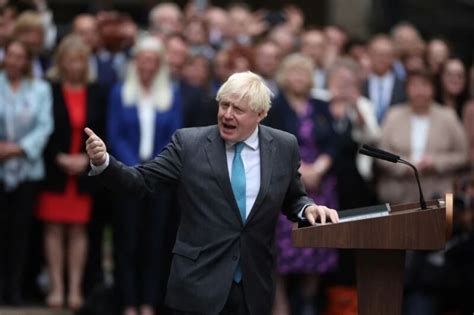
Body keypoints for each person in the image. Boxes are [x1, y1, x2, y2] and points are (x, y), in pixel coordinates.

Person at [84, 71, 339, 315]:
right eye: (224, 105)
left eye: (237, 109)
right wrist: (104, 161)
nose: (227, 115)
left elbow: (293, 196)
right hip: (198, 283)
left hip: (254, 285)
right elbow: (141, 181)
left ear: (260, 114)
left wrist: (307, 208)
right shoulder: (189, 143)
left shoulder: (283, 146)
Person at [107, 35, 182, 315]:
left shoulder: (171, 94)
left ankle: (150, 302)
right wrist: (134, 169)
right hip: (127, 177)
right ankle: (128, 302)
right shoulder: (120, 92)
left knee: (155, 243)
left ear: (160, 63)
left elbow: (174, 136)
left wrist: (153, 170)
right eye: (143, 59)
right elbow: (115, 134)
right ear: (135, 61)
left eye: (153, 60)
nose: (147, 65)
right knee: (126, 241)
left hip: (159, 181)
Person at [35, 34, 106, 310]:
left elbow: (102, 128)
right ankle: (57, 287)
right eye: (70, 60)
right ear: (61, 62)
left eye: (80, 61)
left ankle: (75, 288)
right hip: (55, 170)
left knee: (78, 230)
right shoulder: (49, 90)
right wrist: (58, 157)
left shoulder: (97, 91)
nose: (75, 66)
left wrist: (84, 160)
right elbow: (43, 127)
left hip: (84, 171)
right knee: (53, 229)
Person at [265, 53, 339, 315]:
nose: (298, 78)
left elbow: (333, 142)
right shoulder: (274, 106)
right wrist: (299, 170)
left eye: (303, 73)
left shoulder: (321, 105)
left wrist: (318, 167)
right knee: (283, 254)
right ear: (285, 76)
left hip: (321, 188)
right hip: (286, 187)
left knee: (316, 248)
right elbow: (269, 144)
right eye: (293, 72)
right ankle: (280, 308)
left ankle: (308, 304)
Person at [0, 39, 53, 305]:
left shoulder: (40, 89)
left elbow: (45, 126)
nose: (15, 61)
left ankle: (15, 290)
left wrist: (18, 149)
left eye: (20, 56)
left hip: (28, 170)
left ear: (27, 60)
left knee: (21, 233)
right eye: (11, 55)